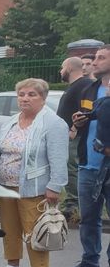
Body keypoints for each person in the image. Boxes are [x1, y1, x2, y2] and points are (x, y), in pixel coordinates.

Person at [0, 79, 68, 267]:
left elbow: (59, 159)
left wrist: (55, 187)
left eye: (32, 94)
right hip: (6, 187)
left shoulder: (53, 123)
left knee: (35, 233)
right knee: (9, 229)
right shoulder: (11, 121)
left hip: (35, 188)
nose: (25, 98)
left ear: (43, 98)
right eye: (21, 94)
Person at [64, 44, 110, 267]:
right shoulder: (91, 88)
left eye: (101, 58)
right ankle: (90, 261)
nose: (94, 62)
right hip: (88, 163)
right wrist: (78, 121)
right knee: (89, 218)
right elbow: (87, 116)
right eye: (95, 58)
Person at [56, 56, 92, 220]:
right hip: (66, 135)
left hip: (75, 137)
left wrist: (75, 128)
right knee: (69, 167)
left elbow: (85, 111)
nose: (60, 71)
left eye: (62, 67)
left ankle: (73, 204)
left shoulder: (83, 85)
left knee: (72, 168)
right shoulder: (74, 86)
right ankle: (71, 201)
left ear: (69, 68)